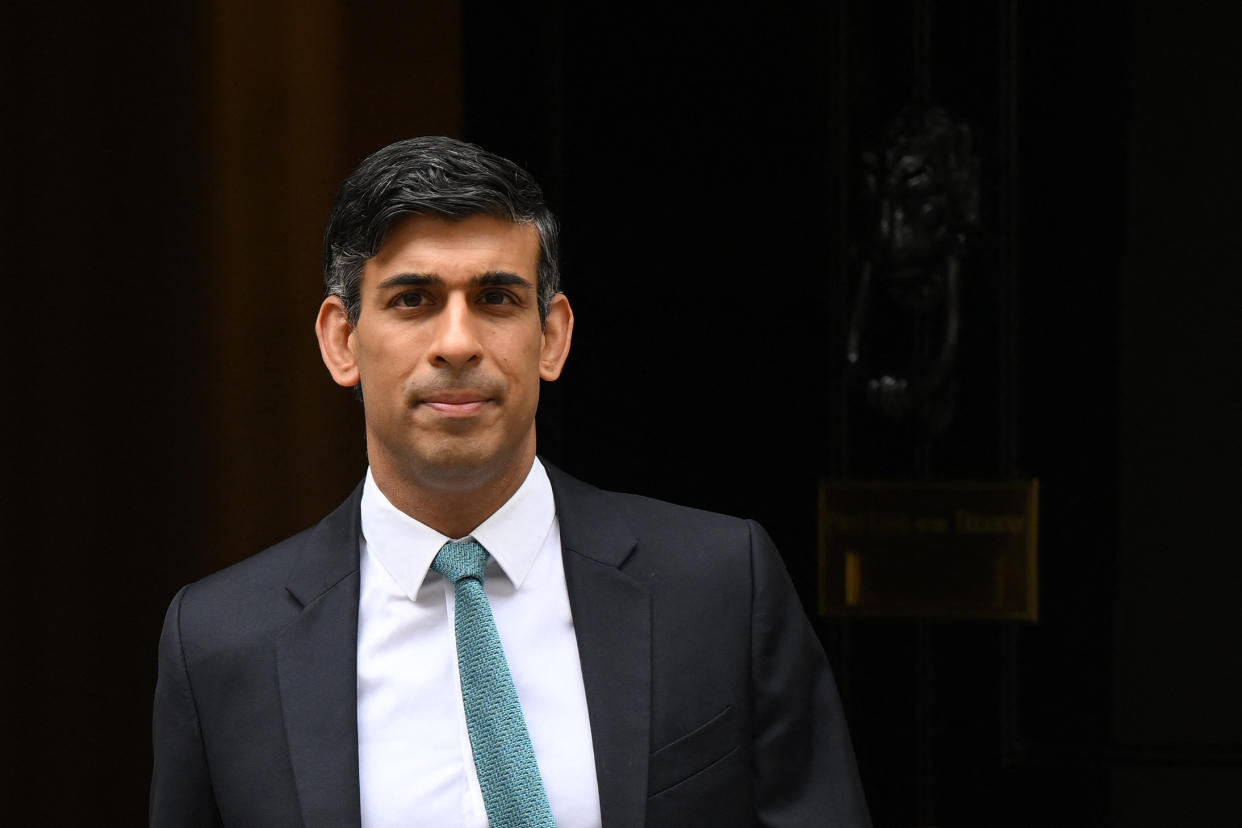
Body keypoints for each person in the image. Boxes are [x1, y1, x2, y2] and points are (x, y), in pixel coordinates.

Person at [150, 136, 870, 827]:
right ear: (342, 340)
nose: (458, 342)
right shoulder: (220, 644)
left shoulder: (720, 587)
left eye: (496, 298)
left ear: (551, 335)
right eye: (413, 300)